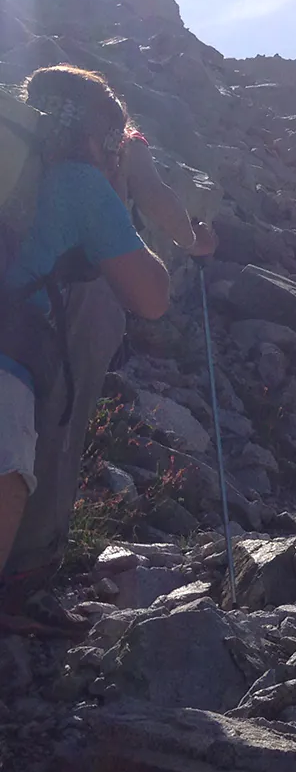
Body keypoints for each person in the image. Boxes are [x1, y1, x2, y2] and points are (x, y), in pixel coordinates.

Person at [1, 65, 176, 635]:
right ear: (102, 139)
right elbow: (150, 296)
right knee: (9, 472)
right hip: (8, 359)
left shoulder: (14, 158)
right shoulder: (81, 182)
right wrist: (118, 189)